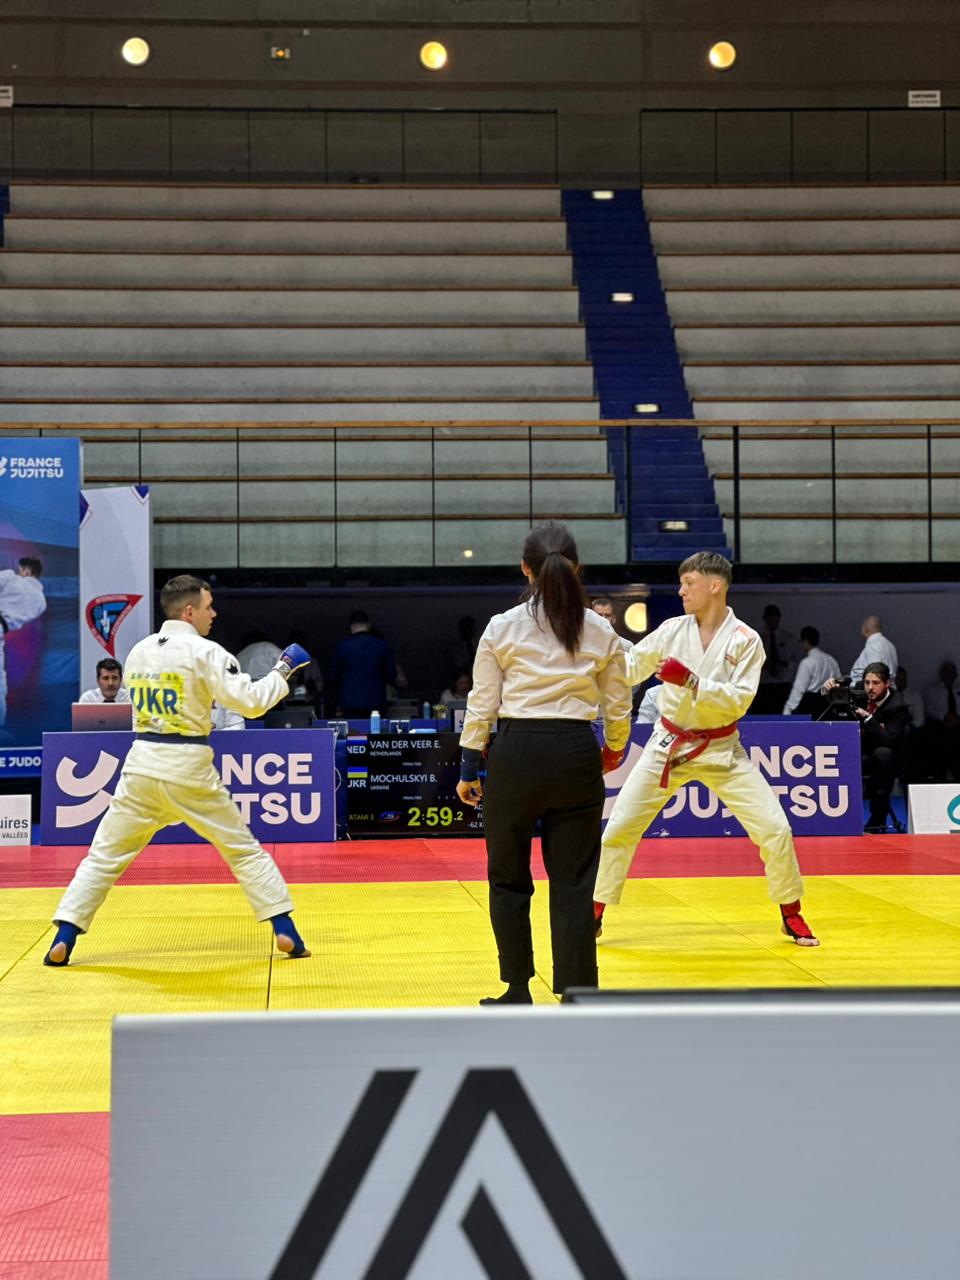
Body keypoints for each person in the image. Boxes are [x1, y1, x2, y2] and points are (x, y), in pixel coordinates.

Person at [43, 574, 312, 967]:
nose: (213, 613)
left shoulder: (138, 652)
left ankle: (64, 935)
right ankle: (285, 930)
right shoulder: (207, 652)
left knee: (102, 858)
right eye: (208, 606)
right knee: (243, 851)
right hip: (187, 765)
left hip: (141, 766)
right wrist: (283, 669)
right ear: (189, 611)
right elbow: (251, 703)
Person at [594, 551, 819, 947]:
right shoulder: (671, 630)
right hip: (667, 745)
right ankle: (594, 913)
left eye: (688, 583)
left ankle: (791, 912)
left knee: (775, 829)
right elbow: (629, 669)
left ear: (715, 585)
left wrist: (692, 681)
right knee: (619, 828)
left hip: (722, 750)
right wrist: (596, 650)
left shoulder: (746, 641)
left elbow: (739, 701)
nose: (681, 591)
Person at [456, 523, 631, 1004]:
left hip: (517, 754)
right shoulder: (600, 629)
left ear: (525, 569)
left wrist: (469, 766)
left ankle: (517, 987)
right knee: (574, 882)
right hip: (575, 752)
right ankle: (577, 991)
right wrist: (613, 750)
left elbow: (482, 702)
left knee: (508, 877)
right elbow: (618, 705)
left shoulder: (502, 626)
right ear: (577, 568)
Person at [857, 662, 910, 834]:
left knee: (883, 755)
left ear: (887, 683)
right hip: (858, 749)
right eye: (867, 683)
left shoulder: (897, 706)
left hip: (886, 756)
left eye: (875, 683)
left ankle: (878, 818)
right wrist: (826, 689)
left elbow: (888, 740)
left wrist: (868, 718)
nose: (870, 688)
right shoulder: (860, 692)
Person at [0, 556, 47, 727]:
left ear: (26, 570)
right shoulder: (40, 602)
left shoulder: (10, 577)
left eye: (20, 570)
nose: (19, 572)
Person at [332, 610, 397, 717]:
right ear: (368, 625)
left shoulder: (342, 646)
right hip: (376, 702)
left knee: (353, 728)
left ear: (351, 626)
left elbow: (333, 675)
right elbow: (391, 674)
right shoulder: (382, 645)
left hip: (350, 702)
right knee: (375, 727)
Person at [782, 626, 840, 716]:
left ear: (805, 641)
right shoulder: (831, 660)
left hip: (810, 708)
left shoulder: (807, 663)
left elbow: (798, 690)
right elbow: (838, 683)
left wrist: (787, 711)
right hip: (828, 708)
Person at [753, 603, 798, 714]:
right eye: (770, 621)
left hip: (782, 685)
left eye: (775, 621)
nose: (772, 624)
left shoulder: (789, 639)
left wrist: (784, 664)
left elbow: (796, 662)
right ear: (765, 619)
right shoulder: (757, 639)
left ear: (779, 619)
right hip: (763, 685)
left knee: (782, 715)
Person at [920, 659, 960, 782]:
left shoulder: (958, 690)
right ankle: (941, 775)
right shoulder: (932, 690)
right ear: (941, 674)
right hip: (940, 724)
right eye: (946, 672)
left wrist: (956, 719)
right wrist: (945, 717)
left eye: (951, 672)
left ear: (956, 675)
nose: (948, 675)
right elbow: (928, 710)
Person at [849, 615, 898, 687]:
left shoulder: (873, 647)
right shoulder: (890, 645)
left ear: (864, 629)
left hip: (870, 692)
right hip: (887, 690)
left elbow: (875, 677)